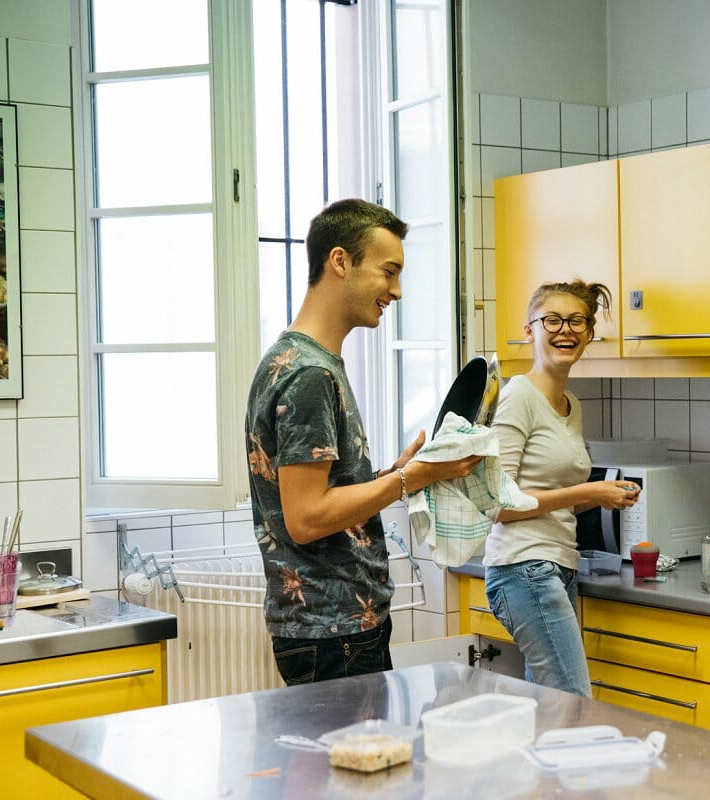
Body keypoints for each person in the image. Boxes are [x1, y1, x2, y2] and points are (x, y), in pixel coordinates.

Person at [245, 198, 480, 685]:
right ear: (340, 262)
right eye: (388, 271)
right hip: (335, 633)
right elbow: (307, 519)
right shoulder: (309, 374)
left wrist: (397, 475)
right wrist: (412, 479)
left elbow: (321, 495)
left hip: (335, 629)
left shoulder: (297, 359)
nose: (396, 291)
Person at [483, 279, 642, 696]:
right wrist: (591, 493)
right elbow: (500, 503)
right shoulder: (518, 396)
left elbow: (550, 503)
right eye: (551, 320)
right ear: (529, 330)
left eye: (576, 322)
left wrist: (606, 497)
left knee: (548, 706)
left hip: (557, 564)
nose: (565, 330)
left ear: (589, 334)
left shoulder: (572, 405)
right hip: (522, 568)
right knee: (574, 703)